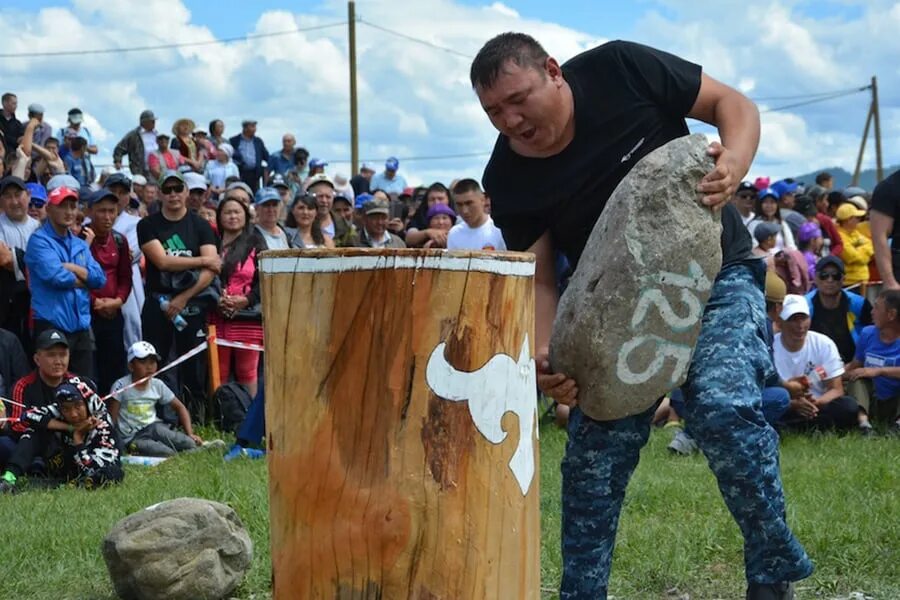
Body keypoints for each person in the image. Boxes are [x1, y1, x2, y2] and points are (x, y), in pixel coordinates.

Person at [472, 33, 811, 599]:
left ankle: (771, 568)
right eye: (493, 112)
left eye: (518, 98)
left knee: (724, 408)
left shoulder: (619, 69)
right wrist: (546, 352)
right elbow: (542, 280)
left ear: (554, 72)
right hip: (616, 315)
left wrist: (734, 162)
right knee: (591, 466)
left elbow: (734, 106)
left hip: (717, 275)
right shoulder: (507, 177)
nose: (510, 120)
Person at [137, 170, 220, 407]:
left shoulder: (201, 225)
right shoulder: (147, 224)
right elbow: (161, 261)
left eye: (177, 189)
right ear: (160, 194)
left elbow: (212, 270)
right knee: (155, 362)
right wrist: (201, 260)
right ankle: (158, 415)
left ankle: (195, 418)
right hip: (157, 301)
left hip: (191, 302)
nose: (173, 194)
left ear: (186, 192)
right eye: (167, 190)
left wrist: (184, 298)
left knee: (193, 364)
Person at [25, 184, 105, 379]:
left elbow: (100, 278)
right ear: (49, 208)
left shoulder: (79, 243)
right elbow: (56, 277)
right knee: (54, 386)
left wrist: (73, 268)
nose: (69, 212)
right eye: (63, 206)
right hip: (51, 323)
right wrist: (85, 279)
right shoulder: (38, 241)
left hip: (81, 327)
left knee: (84, 387)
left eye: (72, 206)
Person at [0, 375, 123, 493]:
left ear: (89, 402)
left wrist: (78, 440)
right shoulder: (60, 410)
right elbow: (28, 416)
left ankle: (64, 482)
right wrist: (70, 428)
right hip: (64, 462)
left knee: (112, 473)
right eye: (66, 408)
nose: (73, 414)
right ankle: (9, 478)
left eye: (78, 406)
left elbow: (92, 470)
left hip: (88, 465)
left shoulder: (103, 426)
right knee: (34, 431)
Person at [773, 295, 864, 432]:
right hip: (785, 405)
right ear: (780, 322)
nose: (800, 325)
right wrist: (793, 405)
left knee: (848, 406)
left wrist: (816, 403)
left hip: (818, 404)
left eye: (804, 318)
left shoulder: (823, 343)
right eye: (793, 319)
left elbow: (836, 389)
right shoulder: (770, 346)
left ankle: (796, 426)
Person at [109, 342, 206, 456]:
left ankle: (195, 448)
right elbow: (111, 418)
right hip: (132, 438)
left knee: (188, 442)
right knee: (164, 452)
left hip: (154, 428)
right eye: (143, 362)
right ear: (131, 366)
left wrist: (190, 433)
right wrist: (113, 442)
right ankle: (188, 453)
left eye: (152, 362)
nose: (149, 366)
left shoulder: (157, 384)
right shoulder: (120, 386)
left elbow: (180, 407)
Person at [211, 199, 266, 398]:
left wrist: (246, 299)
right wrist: (217, 299)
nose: (233, 217)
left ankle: (250, 419)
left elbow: (265, 280)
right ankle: (219, 419)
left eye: (237, 212)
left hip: (247, 317)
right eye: (228, 212)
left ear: (245, 216)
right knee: (218, 372)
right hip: (216, 316)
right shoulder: (211, 243)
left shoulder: (255, 243)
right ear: (219, 217)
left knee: (248, 372)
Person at [85, 188, 132, 395]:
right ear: (90, 212)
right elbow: (78, 276)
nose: (107, 216)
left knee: (114, 363)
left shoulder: (120, 240)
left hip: (114, 312)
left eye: (111, 211)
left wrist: (118, 301)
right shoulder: (81, 238)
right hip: (88, 314)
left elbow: (125, 277)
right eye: (101, 211)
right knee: (91, 365)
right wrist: (96, 302)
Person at [845, 289, 900, 434]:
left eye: (876, 307)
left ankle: (897, 426)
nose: (872, 312)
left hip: (895, 401)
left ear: (891, 314)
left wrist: (878, 370)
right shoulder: (867, 333)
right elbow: (855, 365)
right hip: (873, 400)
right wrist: (830, 375)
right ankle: (864, 425)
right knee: (856, 378)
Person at [0, 175, 41, 351]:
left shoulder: (40, 226)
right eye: (8, 196)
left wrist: (17, 255)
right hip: (8, 300)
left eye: (18, 194)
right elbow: (5, 259)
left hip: (37, 300)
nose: (14, 201)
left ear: (28, 195)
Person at [447, 178, 506, 251]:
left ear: (483, 200)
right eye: (459, 204)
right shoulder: (454, 234)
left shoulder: (499, 230)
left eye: (469, 203)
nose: (464, 210)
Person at [307, 173, 357, 247]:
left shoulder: (343, 224)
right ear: (310, 196)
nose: (324, 200)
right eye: (320, 196)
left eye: (328, 197)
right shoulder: (304, 223)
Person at [834, 203, 873, 287]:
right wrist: (865, 252)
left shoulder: (855, 232)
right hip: (849, 283)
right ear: (848, 220)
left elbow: (871, 245)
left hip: (863, 281)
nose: (859, 220)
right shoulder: (839, 236)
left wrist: (858, 249)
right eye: (857, 218)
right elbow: (852, 257)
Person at [405, 183, 455, 247]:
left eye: (440, 199)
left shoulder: (458, 218)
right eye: (432, 199)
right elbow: (409, 239)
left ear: (448, 200)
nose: (436, 202)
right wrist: (427, 232)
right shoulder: (418, 218)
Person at [113, 110, 158, 178]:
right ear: (144, 122)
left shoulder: (156, 134)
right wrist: (118, 161)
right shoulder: (134, 135)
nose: (154, 122)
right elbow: (119, 148)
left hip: (156, 170)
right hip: (140, 171)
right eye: (151, 121)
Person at [229, 119, 269, 193]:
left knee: (254, 194)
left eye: (255, 127)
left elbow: (266, 156)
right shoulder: (234, 140)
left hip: (254, 174)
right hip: (241, 173)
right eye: (252, 126)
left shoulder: (258, 141)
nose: (255, 129)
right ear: (245, 128)